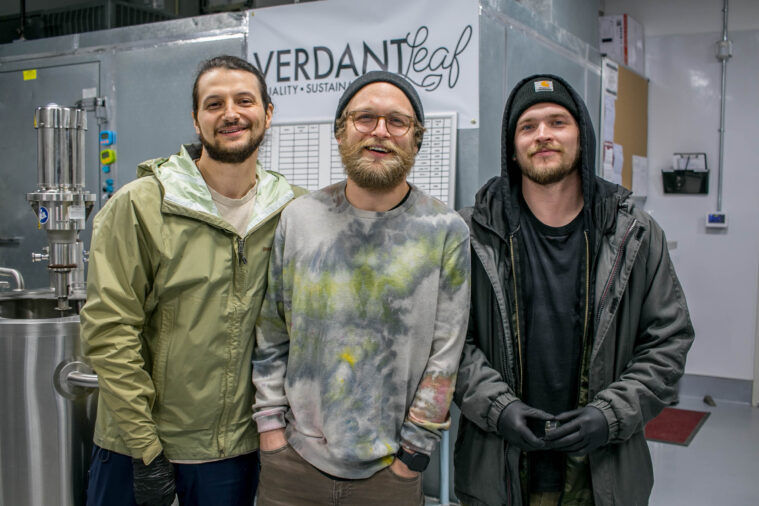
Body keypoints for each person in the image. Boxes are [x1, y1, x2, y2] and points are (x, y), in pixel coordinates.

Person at [453, 74, 694, 506]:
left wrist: (609, 415)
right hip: (500, 471)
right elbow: (450, 341)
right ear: (512, 147)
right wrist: (498, 408)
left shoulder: (633, 234)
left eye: (558, 122)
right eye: (527, 126)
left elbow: (667, 343)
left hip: (602, 475)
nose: (543, 134)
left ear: (582, 136)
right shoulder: (473, 235)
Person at [80, 55, 305, 506]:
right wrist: (146, 453)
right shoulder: (141, 206)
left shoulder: (293, 211)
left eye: (244, 100)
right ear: (196, 119)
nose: (231, 114)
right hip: (142, 450)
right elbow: (110, 332)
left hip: (238, 453)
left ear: (268, 112)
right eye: (214, 103)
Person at [251, 71, 471, 506]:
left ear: (417, 138)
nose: (380, 132)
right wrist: (272, 433)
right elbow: (271, 334)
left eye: (397, 122)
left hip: (391, 472)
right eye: (364, 118)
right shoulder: (298, 219)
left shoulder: (445, 231)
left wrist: (413, 454)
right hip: (293, 465)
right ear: (340, 131)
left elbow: (445, 357)